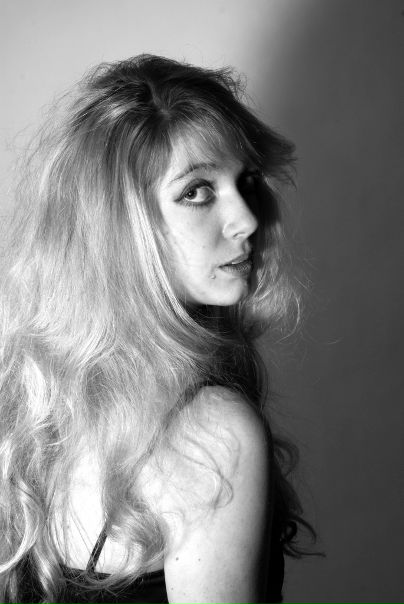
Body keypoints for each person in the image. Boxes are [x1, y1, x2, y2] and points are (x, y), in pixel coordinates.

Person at [0, 54, 314, 604]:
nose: (247, 219)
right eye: (197, 191)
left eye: (246, 181)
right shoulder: (211, 435)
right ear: (119, 226)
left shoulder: (31, 414)